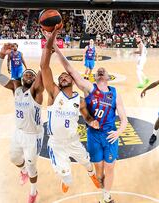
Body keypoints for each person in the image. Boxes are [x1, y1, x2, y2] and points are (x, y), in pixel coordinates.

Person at [47, 25, 127, 203]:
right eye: (99, 70)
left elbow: (124, 118)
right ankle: (100, 184)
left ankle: (106, 197)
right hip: (94, 135)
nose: (100, 71)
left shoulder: (115, 93)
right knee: (99, 171)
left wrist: (120, 131)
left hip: (109, 135)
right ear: (97, 78)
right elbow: (69, 69)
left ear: (107, 77)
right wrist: (56, 48)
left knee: (110, 168)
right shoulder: (89, 88)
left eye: (103, 71)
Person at [41, 26, 102, 194]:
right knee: (67, 179)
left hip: (73, 140)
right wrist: (50, 41)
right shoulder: (54, 93)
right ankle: (65, 179)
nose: (63, 76)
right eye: (60, 77)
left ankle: (92, 175)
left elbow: (87, 117)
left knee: (87, 162)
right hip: (57, 144)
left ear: (73, 81)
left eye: (66, 75)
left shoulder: (79, 100)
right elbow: (44, 67)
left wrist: (93, 122)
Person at [0, 43, 43, 203]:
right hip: (18, 132)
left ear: (35, 80)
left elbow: (43, 71)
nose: (28, 76)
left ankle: (33, 192)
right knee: (14, 159)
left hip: (33, 136)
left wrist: (47, 51)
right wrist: (1, 54)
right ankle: (23, 171)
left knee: (31, 164)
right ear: (21, 78)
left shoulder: (37, 93)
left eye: (31, 75)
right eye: (26, 74)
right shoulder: (17, 89)